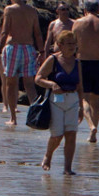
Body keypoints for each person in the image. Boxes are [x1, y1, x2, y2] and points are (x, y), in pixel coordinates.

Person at [35, 30, 83, 175]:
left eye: (74, 43)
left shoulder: (77, 62)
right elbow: (38, 78)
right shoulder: (53, 60)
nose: (72, 46)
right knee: (57, 135)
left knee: (71, 134)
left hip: (73, 101)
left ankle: (67, 168)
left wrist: (81, 106)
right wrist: (52, 85)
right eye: (69, 44)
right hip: (56, 101)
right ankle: (48, 155)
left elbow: (80, 86)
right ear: (60, 45)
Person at [0, 0, 43, 126]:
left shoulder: (9, 10)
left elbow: (4, 32)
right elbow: (37, 33)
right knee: (30, 85)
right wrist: (41, 51)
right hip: (29, 48)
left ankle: (13, 118)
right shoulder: (32, 11)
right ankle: (36, 117)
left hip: (13, 48)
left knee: (11, 83)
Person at [72, 1, 99, 143]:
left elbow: (72, 46)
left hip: (82, 63)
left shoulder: (78, 23)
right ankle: (93, 133)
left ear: (85, 10)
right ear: (98, 9)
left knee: (83, 98)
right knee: (96, 100)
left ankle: (91, 126)